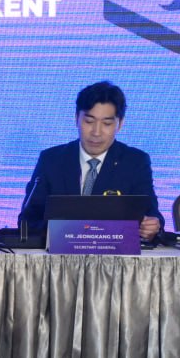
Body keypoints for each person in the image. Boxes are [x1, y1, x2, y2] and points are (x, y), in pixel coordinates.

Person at [19, 81, 164, 241]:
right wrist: (63, 232)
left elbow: (152, 215)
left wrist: (151, 227)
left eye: (107, 123)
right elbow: (27, 221)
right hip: (59, 252)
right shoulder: (51, 159)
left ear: (120, 124)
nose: (96, 132)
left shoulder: (135, 162)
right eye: (89, 121)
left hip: (114, 253)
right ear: (76, 118)